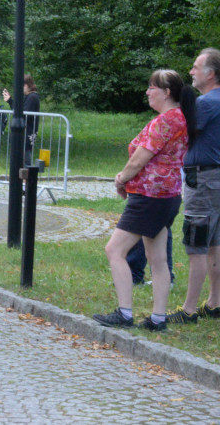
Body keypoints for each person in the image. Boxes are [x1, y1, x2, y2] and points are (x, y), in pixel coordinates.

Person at [93, 69, 195, 332]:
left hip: (149, 198)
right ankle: (158, 319)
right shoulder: (181, 117)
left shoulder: (165, 121)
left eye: (152, 87)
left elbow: (139, 159)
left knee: (114, 250)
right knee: (157, 258)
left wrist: (121, 179)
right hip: (168, 197)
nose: (147, 92)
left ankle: (124, 313)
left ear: (166, 92)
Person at [167, 47, 220, 325]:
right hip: (215, 178)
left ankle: (188, 311)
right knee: (214, 242)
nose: (191, 72)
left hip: (203, 179)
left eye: (196, 67)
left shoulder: (207, 103)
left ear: (211, 74)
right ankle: (214, 303)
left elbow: (181, 131)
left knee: (197, 243)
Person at [2, 73, 40, 167]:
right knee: (20, 159)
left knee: (25, 161)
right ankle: (23, 175)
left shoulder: (32, 97)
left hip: (26, 133)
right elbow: (20, 111)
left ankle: (26, 175)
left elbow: (23, 114)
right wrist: (10, 100)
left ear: (26, 85)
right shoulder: (29, 96)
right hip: (24, 132)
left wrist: (10, 101)